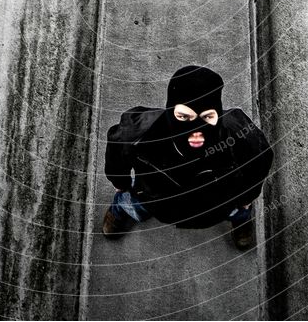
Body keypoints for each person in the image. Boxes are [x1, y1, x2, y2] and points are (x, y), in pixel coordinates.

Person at [102, 64, 273, 250]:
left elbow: (259, 161)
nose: (196, 132)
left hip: (218, 204)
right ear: (170, 111)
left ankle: (240, 220)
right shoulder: (137, 133)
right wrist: (120, 184)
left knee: (239, 210)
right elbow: (117, 151)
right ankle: (120, 211)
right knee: (129, 202)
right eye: (184, 117)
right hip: (153, 198)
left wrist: (247, 198)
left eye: (207, 117)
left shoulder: (241, 137)